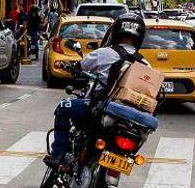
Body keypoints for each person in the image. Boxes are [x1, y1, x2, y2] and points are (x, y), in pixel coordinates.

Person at [45, 12, 149, 166]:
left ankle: (58, 154)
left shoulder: (104, 53)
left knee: (63, 107)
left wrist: (71, 67)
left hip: (96, 108)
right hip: (126, 119)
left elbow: (81, 66)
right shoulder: (145, 64)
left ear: (115, 33)